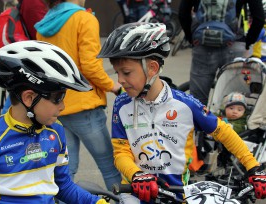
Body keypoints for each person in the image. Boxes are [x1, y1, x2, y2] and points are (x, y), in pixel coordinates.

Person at [97, 22, 266, 203]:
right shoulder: (122, 104)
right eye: (117, 73)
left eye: (126, 72)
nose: (120, 80)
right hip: (135, 191)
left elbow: (224, 132)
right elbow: (121, 153)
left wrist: (253, 167)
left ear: (152, 68)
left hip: (177, 194)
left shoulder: (185, 104)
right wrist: (137, 175)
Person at [0, 40, 108, 204]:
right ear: (29, 98)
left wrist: (97, 202)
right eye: (58, 98)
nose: (63, 106)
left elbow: (64, 187)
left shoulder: (56, 133)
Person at [35, 0, 122, 191]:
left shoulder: (44, 23)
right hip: (84, 104)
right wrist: (111, 85)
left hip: (55, 105)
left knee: (66, 171)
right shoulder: (84, 19)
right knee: (109, 167)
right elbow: (90, 65)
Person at [178, 0, 265, 105]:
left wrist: (191, 38)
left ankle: (200, 120)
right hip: (234, 45)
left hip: (203, 45)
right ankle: (228, 119)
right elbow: (259, 17)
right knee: (233, 98)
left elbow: (183, 13)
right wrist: (248, 41)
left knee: (198, 100)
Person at [0, 0, 48, 114]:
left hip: (30, 56)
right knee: (19, 102)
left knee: (17, 100)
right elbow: (40, 32)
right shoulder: (34, 2)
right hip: (33, 58)